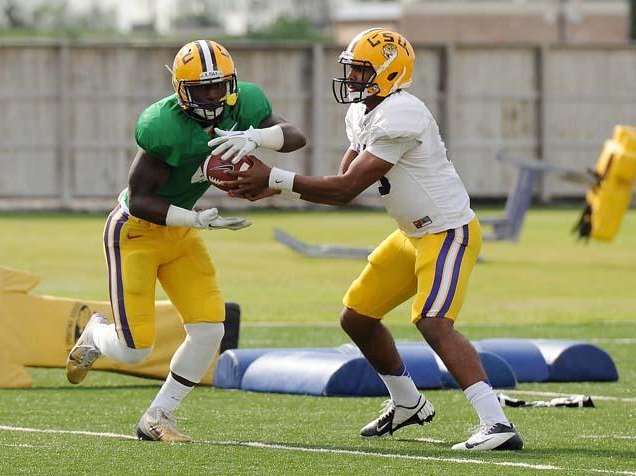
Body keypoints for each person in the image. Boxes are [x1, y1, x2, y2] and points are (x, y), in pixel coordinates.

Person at [224, 28, 523, 451]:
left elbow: (346, 187)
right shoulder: (362, 112)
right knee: (357, 316)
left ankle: (497, 423)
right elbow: (341, 183)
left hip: (447, 231)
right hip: (411, 234)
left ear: (390, 73)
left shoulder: (404, 113)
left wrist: (272, 176)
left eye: (362, 71)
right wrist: (273, 188)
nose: (352, 80)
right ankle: (407, 402)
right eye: (351, 70)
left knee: (433, 321)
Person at [65, 39, 306, 442]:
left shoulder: (244, 103)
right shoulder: (162, 126)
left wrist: (255, 138)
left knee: (210, 330)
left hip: (181, 234)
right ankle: (95, 333)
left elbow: (295, 135)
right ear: (180, 89)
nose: (212, 96)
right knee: (134, 349)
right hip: (136, 232)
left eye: (218, 86)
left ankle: (158, 416)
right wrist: (195, 219)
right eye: (201, 89)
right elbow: (140, 200)